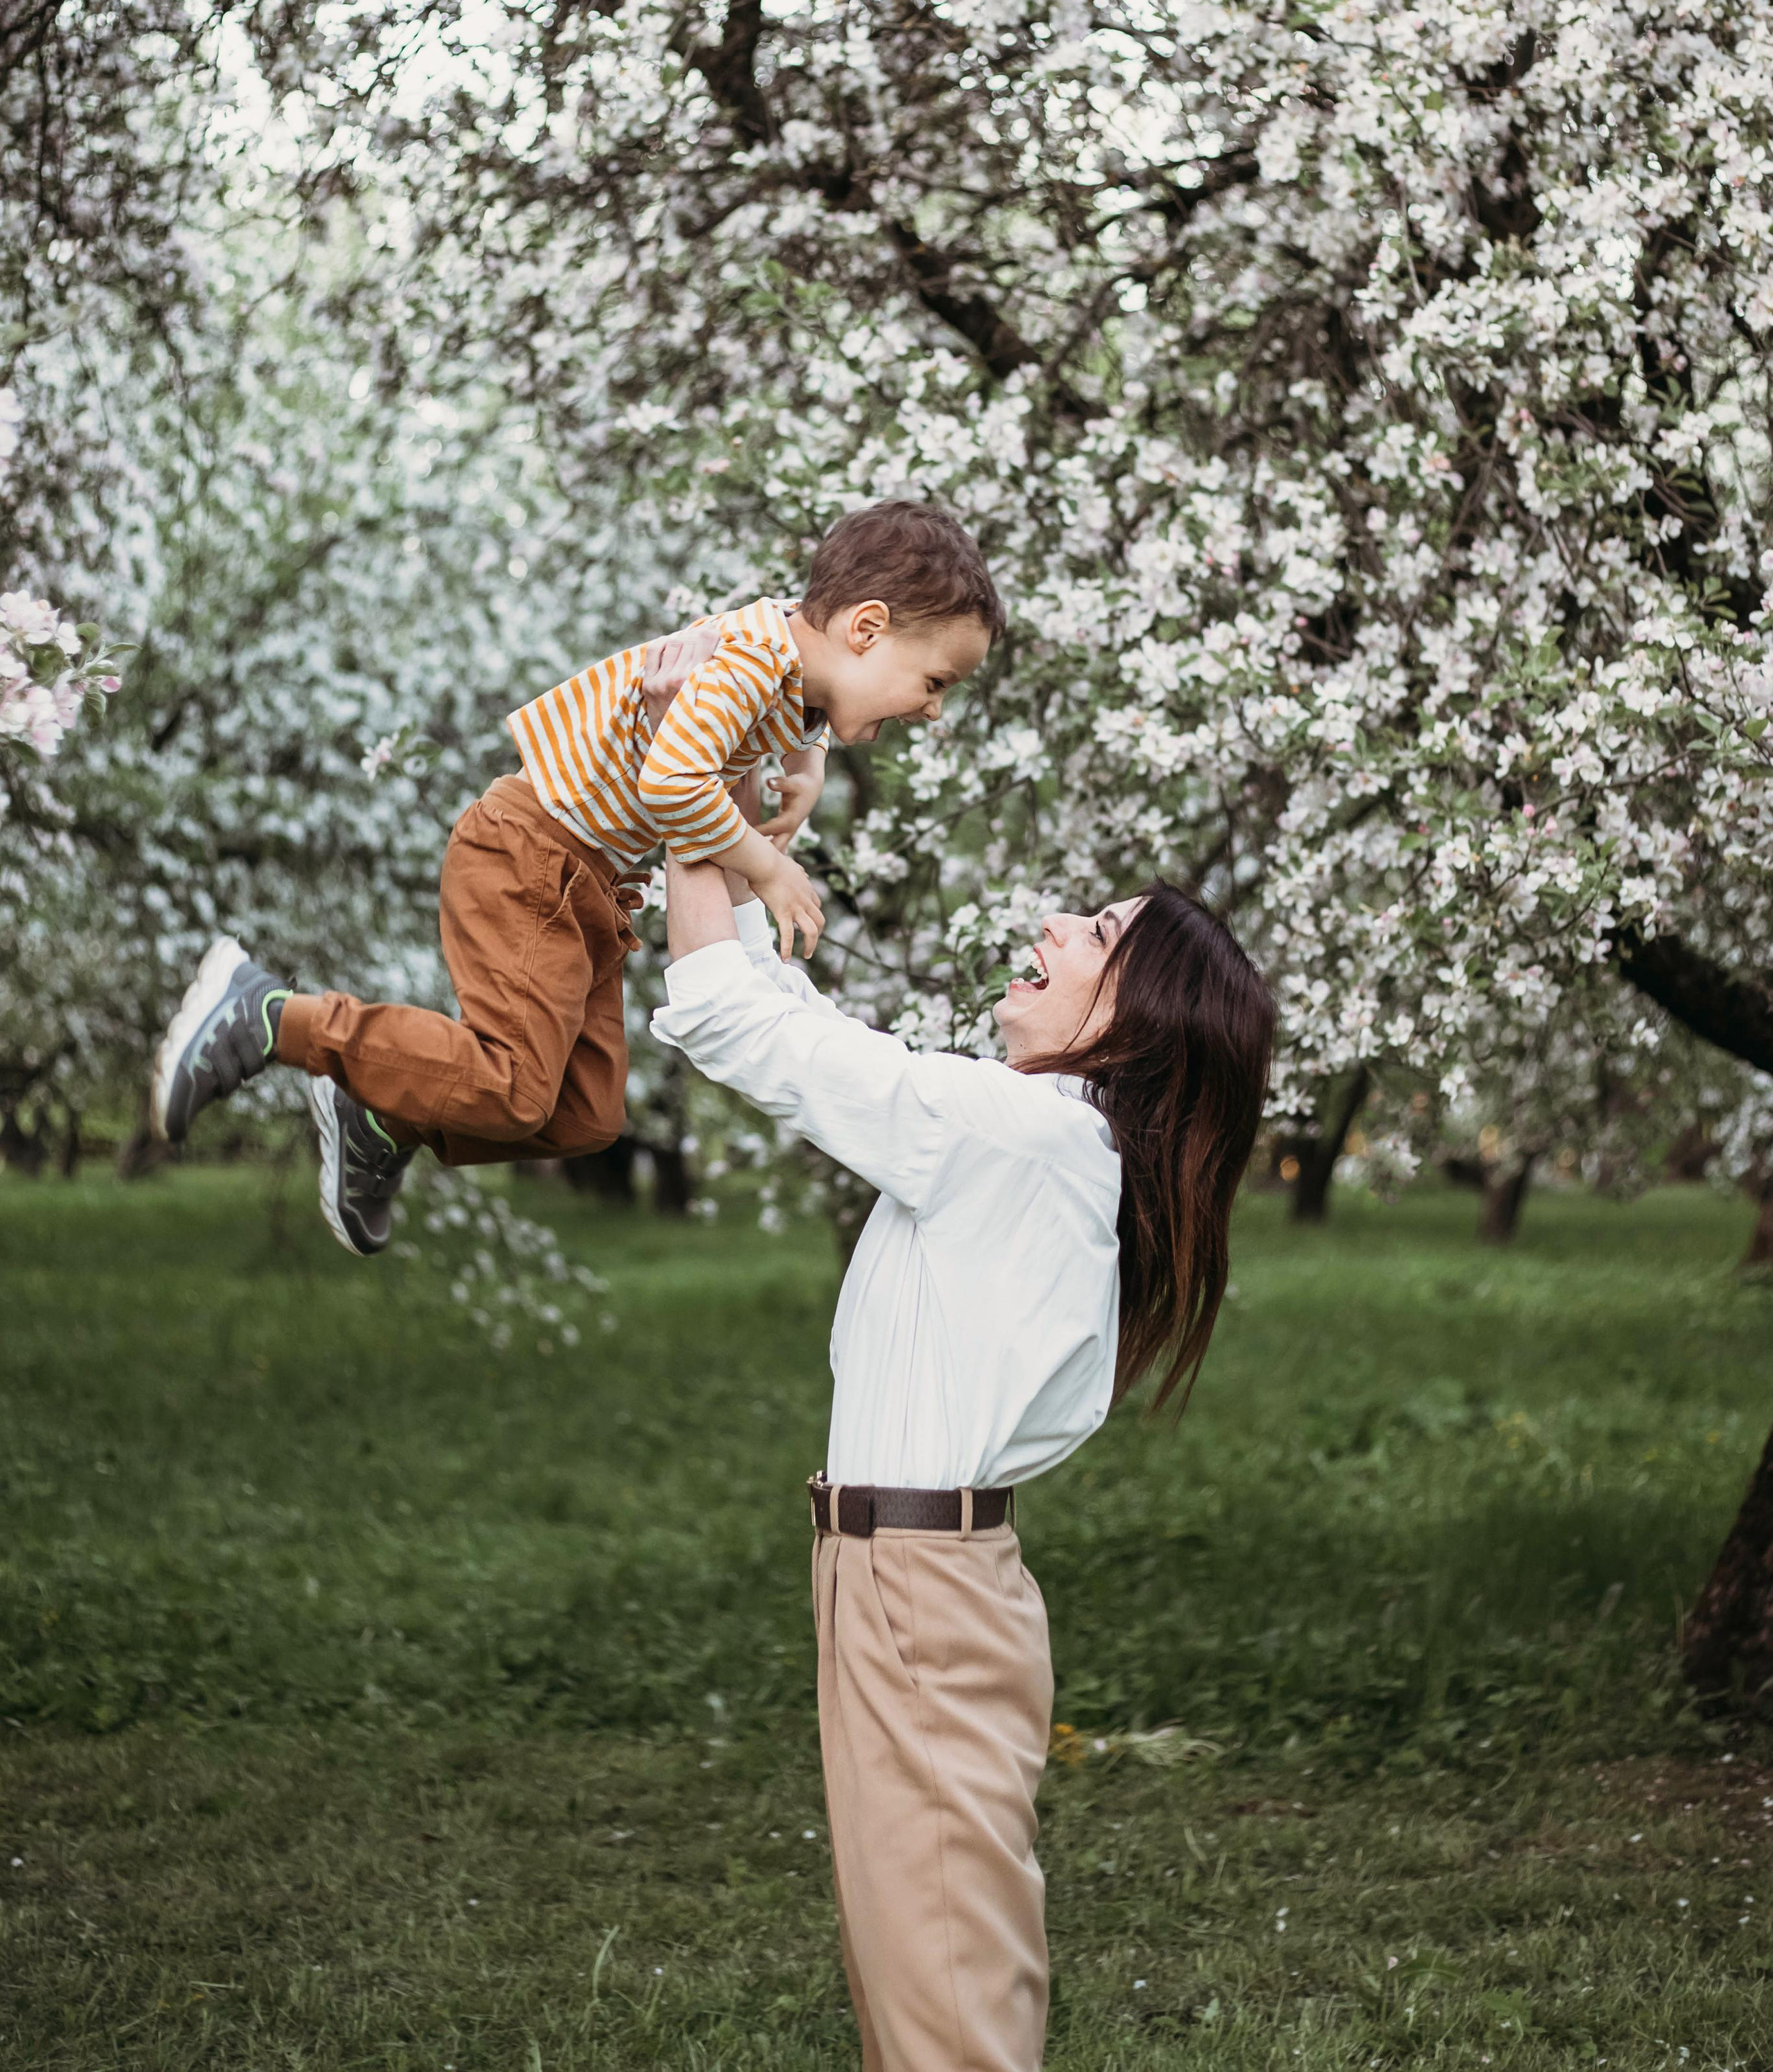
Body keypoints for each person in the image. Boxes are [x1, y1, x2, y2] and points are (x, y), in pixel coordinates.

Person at [651, 846, 1274, 2072]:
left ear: (1138, 1016)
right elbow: (801, 1023)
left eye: (1097, 930)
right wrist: (741, 846)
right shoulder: (1037, 1138)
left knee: (944, 1997)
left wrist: (690, 825)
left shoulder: (1018, 1136)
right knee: (927, 1973)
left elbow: (735, 1018)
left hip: (917, 1588)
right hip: (914, 1577)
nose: (1052, 922)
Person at [147, 500, 1004, 1256]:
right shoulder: (742, 662)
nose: (933, 709)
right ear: (866, 628)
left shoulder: (791, 654)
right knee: (511, 1086)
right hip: (532, 856)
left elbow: (798, 682)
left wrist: (809, 760)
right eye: (935, 682)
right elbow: (674, 785)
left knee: (585, 1116)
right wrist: (765, 865)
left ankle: (383, 1117)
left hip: (589, 884)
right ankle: (271, 1017)